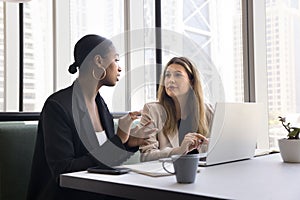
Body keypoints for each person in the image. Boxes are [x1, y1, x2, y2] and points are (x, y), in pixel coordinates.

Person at [27, 34, 152, 200]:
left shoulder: (100, 105)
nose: (119, 67)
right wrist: (118, 139)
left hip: (96, 192)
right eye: (115, 60)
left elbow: (104, 161)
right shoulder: (57, 107)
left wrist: (128, 143)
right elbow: (64, 170)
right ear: (99, 61)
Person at [139, 57, 214, 162]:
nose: (171, 80)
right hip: (168, 175)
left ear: (191, 82)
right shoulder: (152, 110)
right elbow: (146, 156)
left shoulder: (208, 111)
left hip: (203, 174)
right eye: (167, 75)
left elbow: (220, 147)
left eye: (178, 75)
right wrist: (179, 151)